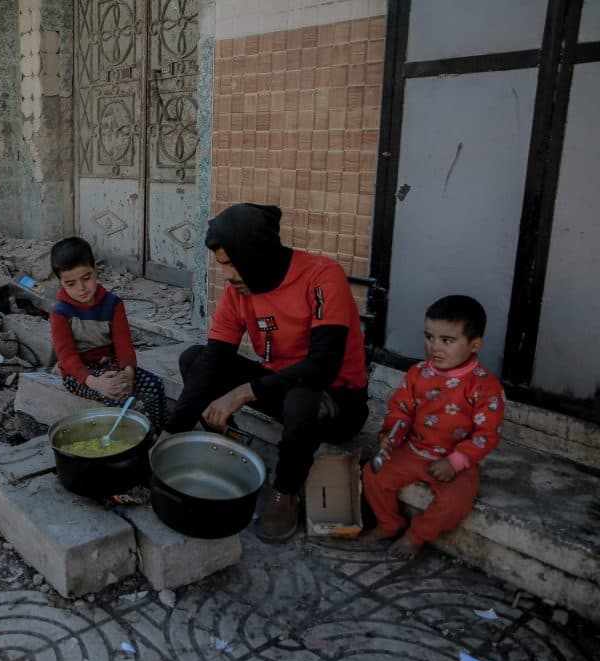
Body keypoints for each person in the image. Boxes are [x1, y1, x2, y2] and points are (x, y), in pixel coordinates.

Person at [161, 203, 369, 542]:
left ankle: (284, 492)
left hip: (336, 401)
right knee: (194, 358)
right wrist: (171, 432)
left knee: (303, 399)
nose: (226, 275)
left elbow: (322, 366)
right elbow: (214, 360)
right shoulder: (238, 292)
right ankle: (228, 442)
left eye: (230, 263)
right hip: (278, 388)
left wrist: (242, 392)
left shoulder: (322, 276)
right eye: (221, 265)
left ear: (256, 253)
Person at [362, 295, 504, 560]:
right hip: (413, 449)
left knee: (455, 502)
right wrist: (391, 436)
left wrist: (457, 461)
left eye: (447, 340)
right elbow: (401, 409)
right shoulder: (418, 373)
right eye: (429, 337)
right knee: (373, 474)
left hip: (454, 462)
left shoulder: (484, 387)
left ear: (475, 344)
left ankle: (416, 536)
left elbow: (487, 435)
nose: (434, 347)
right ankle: (389, 524)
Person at [49, 237, 167, 432]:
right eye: (71, 283)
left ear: (95, 271)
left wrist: (128, 373)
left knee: (154, 385)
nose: (81, 288)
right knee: (116, 394)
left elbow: (124, 345)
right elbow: (67, 358)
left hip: (111, 366)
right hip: (79, 375)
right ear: (61, 282)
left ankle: (160, 435)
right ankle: (127, 444)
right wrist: (96, 383)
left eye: (86, 278)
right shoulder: (60, 312)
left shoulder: (113, 304)